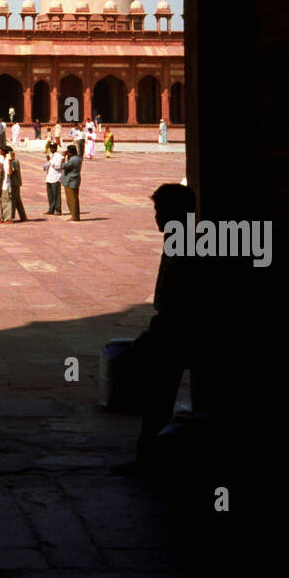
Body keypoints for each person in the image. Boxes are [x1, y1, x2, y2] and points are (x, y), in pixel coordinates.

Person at [113, 184, 219, 478]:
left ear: (176, 213)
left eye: (160, 211)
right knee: (162, 396)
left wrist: (159, 330)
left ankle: (154, 459)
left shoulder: (188, 244)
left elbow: (186, 297)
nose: (156, 217)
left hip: (177, 329)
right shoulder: (184, 239)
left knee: (159, 396)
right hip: (179, 328)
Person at [60, 143, 82, 220]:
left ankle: (75, 216)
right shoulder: (78, 158)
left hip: (71, 181)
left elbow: (63, 166)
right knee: (74, 199)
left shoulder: (73, 160)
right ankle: (75, 215)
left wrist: (63, 157)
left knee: (72, 200)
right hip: (74, 180)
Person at [7, 147, 27, 221]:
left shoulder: (14, 161)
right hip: (15, 182)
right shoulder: (13, 160)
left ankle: (11, 216)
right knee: (18, 200)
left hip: (14, 183)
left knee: (13, 200)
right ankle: (23, 216)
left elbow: (13, 171)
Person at [44, 146, 63, 213]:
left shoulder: (58, 156)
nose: (52, 149)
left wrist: (50, 161)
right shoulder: (51, 156)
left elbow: (58, 166)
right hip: (49, 177)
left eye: (53, 148)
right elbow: (47, 166)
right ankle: (51, 209)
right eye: (51, 148)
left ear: (56, 148)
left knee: (56, 195)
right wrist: (46, 164)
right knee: (50, 195)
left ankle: (58, 210)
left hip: (56, 177)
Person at [0, 146, 14, 222]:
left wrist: (10, 162)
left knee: (7, 203)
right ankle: (4, 217)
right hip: (1, 184)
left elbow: (10, 172)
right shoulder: (0, 158)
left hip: (6, 185)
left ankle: (8, 218)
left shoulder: (8, 160)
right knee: (2, 203)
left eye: (1, 150)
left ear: (4, 152)